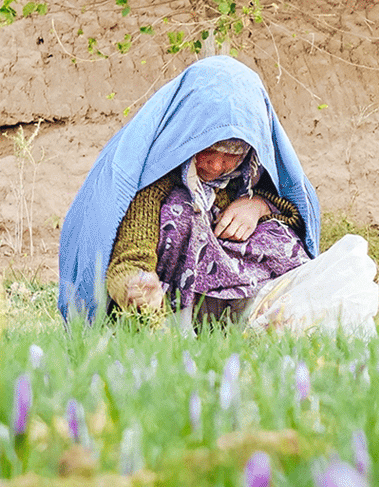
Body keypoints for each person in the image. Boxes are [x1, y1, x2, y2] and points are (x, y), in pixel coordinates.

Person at [58, 55, 322, 323]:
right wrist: (135, 285)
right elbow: (130, 256)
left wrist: (258, 205)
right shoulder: (158, 178)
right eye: (208, 150)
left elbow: (297, 219)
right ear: (188, 137)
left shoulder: (254, 174)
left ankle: (269, 319)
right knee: (181, 210)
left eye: (232, 155)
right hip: (175, 311)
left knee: (277, 232)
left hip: (243, 303)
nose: (218, 165)